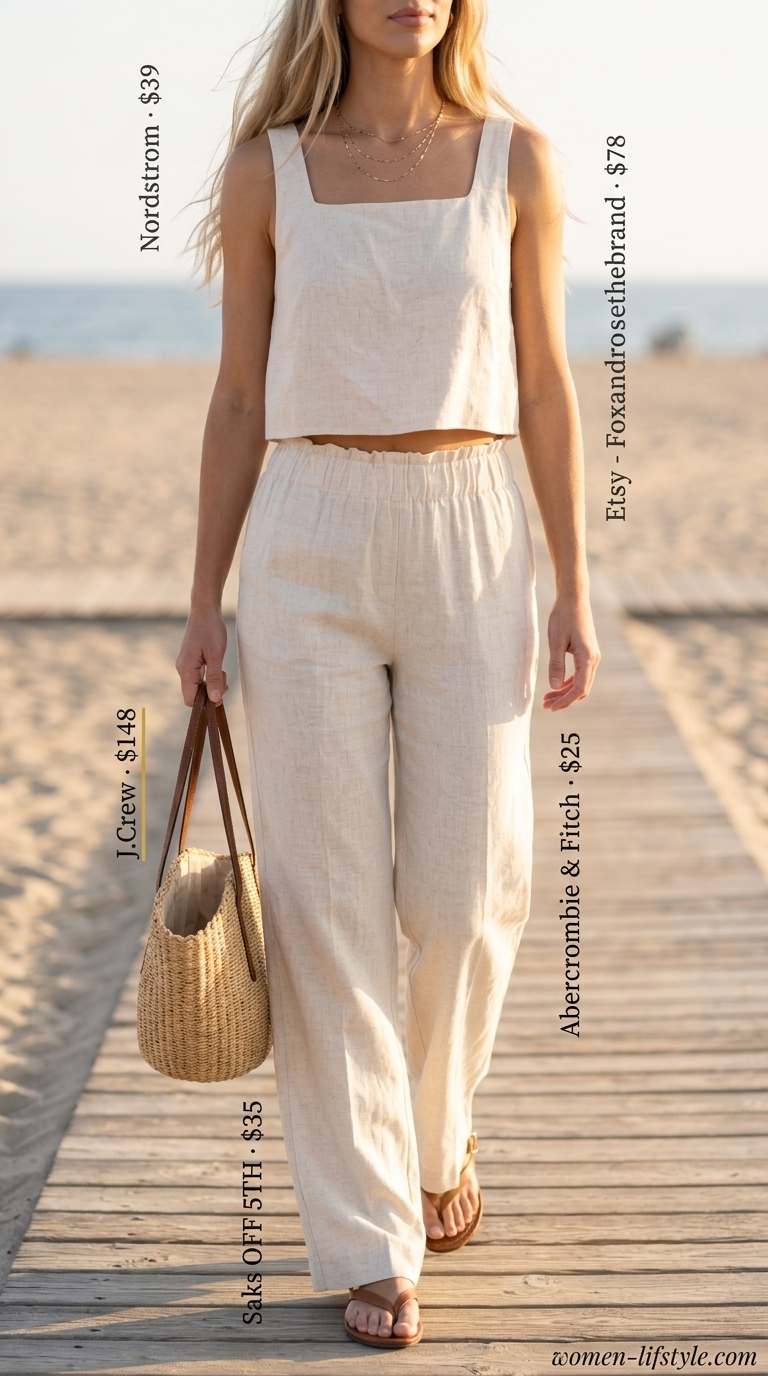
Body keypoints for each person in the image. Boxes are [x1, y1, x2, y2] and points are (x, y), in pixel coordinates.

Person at [176, 0, 600, 1350]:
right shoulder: (270, 169)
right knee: (326, 906)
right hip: (303, 538)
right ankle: (373, 1240)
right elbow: (240, 395)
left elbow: (544, 380)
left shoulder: (514, 159)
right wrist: (203, 602)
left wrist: (573, 587)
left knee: (468, 894)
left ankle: (439, 1137)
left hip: (471, 528)